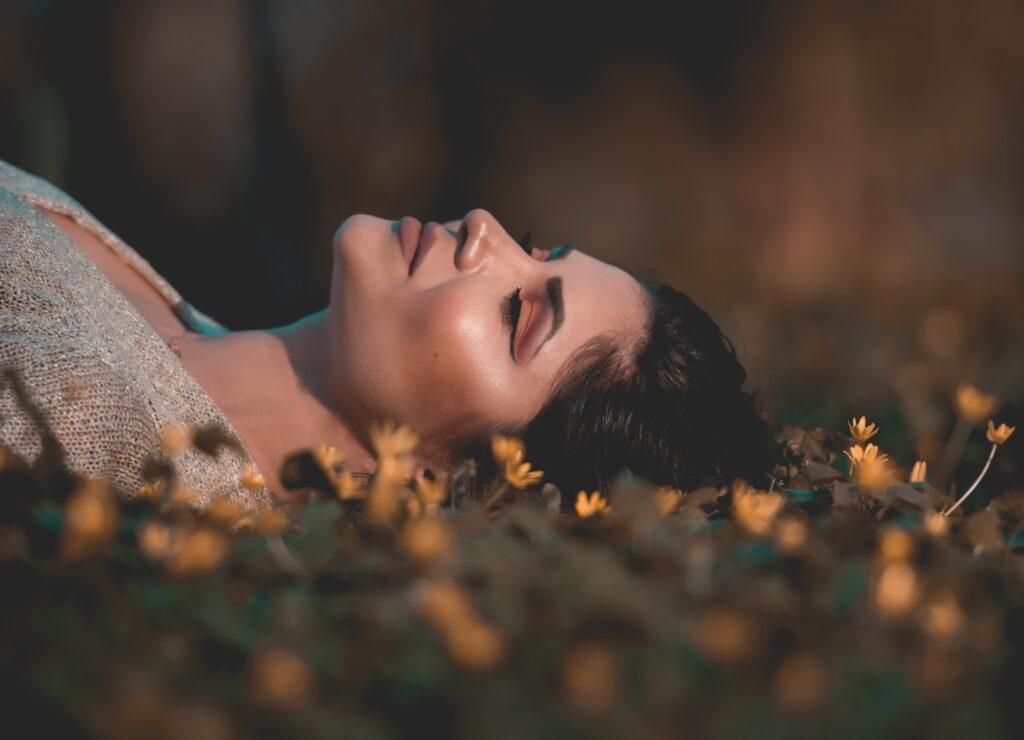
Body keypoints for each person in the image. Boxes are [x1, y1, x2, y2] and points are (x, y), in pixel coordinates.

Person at [0, 159, 769, 510]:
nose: (483, 231)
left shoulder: (82, 423)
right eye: (533, 249)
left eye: (517, 315)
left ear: (440, 482)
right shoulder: (176, 325)